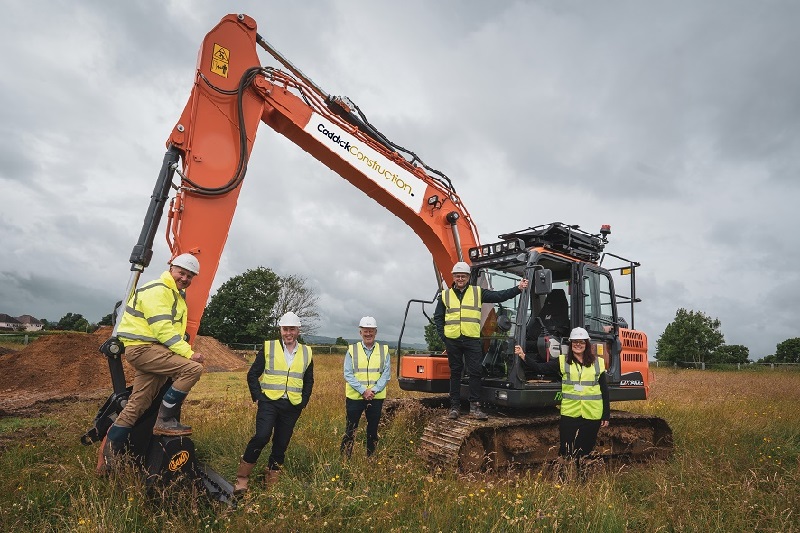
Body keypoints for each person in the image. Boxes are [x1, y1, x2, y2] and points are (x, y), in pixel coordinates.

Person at [103, 253, 206, 464]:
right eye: (182, 272)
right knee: (192, 369)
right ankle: (165, 419)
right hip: (145, 349)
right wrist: (188, 353)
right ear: (171, 268)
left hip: (154, 350)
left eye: (190, 275)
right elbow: (162, 329)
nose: (185, 278)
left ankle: (109, 454)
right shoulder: (159, 290)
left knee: (137, 404)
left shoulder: (174, 294)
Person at [433, 261, 529, 420]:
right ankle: (455, 407)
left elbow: (499, 295)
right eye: (457, 276)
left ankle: (475, 407)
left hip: (471, 339)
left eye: (463, 276)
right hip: (453, 340)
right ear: (454, 277)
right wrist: (444, 338)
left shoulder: (477, 292)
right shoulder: (445, 295)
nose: (460, 278)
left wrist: (517, 288)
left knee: (475, 372)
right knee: (455, 373)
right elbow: (438, 318)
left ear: (469, 277)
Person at [234, 311, 314, 495]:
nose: (289, 333)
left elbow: (309, 380)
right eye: (285, 329)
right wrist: (259, 396)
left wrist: (303, 401)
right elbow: (252, 374)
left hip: (292, 405)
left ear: (298, 330)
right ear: (280, 330)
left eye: (292, 329)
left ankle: (271, 483)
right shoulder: (269, 347)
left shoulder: (306, 352)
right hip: (269, 402)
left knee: (281, 444)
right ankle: (242, 479)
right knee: (261, 436)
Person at [514, 327, 609, 472]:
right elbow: (540, 368)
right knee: (566, 449)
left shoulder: (598, 363)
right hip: (570, 412)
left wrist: (606, 415)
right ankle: (563, 480)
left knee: (585, 449)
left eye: (581, 342)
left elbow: (604, 390)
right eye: (575, 342)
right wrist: (523, 355)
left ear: (587, 344)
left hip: (592, 413)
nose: (578, 344)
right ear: (570, 344)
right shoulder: (563, 361)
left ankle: (582, 481)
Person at [340, 316, 391, 458]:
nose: (368, 334)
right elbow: (348, 374)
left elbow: (386, 375)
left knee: (373, 431)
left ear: (376, 332)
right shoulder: (352, 350)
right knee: (350, 429)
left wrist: (373, 391)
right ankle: (345, 460)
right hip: (355, 397)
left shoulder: (384, 350)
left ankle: (371, 459)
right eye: (365, 331)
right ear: (360, 332)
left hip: (376, 397)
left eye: (371, 331)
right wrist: (363, 391)